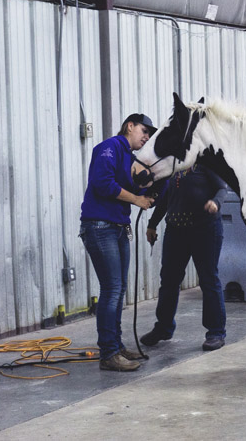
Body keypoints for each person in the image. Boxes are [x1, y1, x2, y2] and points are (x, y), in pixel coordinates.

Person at [79, 113, 157, 372]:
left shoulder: (131, 158)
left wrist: (154, 184)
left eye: (149, 135)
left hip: (117, 227)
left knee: (119, 288)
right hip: (100, 227)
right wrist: (136, 200)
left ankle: (116, 345)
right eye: (143, 131)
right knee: (112, 289)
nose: (146, 137)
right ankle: (108, 353)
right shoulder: (110, 148)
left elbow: (138, 187)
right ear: (130, 126)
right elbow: (102, 184)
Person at [140, 163, 228, 351]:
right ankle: (163, 328)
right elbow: (165, 198)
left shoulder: (205, 163)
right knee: (169, 281)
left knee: (208, 279)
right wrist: (152, 224)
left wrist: (216, 203)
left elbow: (222, 188)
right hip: (176, 229)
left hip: (205, 229)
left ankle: (216, 332)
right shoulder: (172, 166)